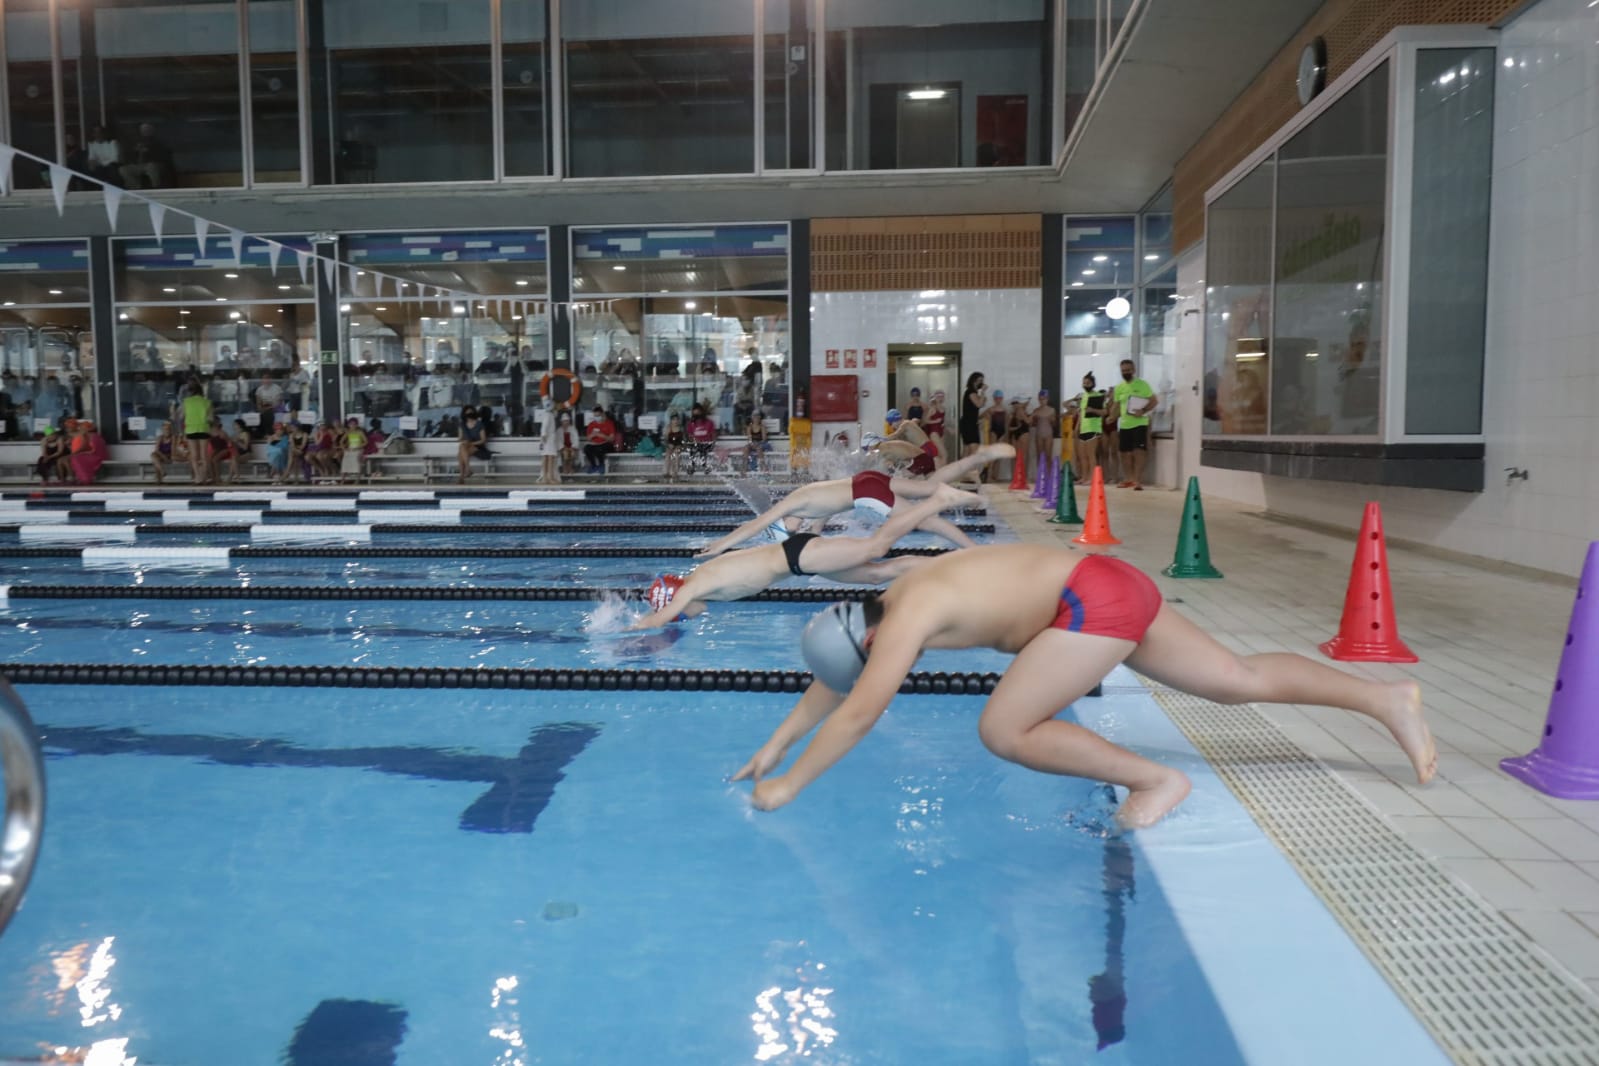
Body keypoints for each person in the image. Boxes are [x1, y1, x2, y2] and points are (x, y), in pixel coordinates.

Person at [733, 544, 1437, 828]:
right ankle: (1383, 699)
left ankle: (1154, 783)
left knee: (1004, 729)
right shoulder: (893, 601)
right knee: (1234, 679)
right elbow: (837, 684)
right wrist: (777, 746)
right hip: (1104, 578)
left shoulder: (910, 615)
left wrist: (790, 787)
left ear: (870, 640)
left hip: (1087, 604)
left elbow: (858, 711)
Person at [629, 485, 977, 631]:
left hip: (800, 556)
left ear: (673, 598)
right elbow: (685, 612)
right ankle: (960, 569)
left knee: (876, 548)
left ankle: (939, 500)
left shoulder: (694, 586)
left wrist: (626, 627)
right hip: (799, 557)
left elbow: (660, 619)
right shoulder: (700, 580)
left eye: (675, 612)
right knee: (876, 574)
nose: (682, 618)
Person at [694, 442, 1013, 560]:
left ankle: (976, 554)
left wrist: (721, 545)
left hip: (866, 493)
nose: (796, 531)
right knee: (929, 486)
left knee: (929, 519)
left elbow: (754, 525)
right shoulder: (805, 506)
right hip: (865, 481)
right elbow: (817, 539)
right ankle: (976, 459)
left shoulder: (787, 508)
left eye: (789, 531)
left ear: (783, 523)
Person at [1111, 360, 1157, 490]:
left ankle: (1137, 480)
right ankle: (1129, 478)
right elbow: (1116, 405)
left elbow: (1154, 401)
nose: (1125, 373)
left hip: (1140, 423)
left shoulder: (1142, 385)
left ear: (1134, 370)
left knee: (1139, 452)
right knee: (1124, 453)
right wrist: (1111, 417)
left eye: (1128, 370)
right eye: (1123, 371)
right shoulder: (1119, 388)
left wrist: (1143, 411)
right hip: (1124, 425)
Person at [872, 410, 940, 476]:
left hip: (926, 448)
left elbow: (896, 434)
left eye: (890, 424)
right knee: (930, 473)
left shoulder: (905, 424)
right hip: (927, 447)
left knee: (935, 473)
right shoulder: (908, 423)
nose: (892, 427)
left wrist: (880, 440)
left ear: (895, 420)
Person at [1072, 373, 1109, 486]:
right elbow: (1082, 414)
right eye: (1084, 383)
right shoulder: (1083, 397)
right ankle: (1084, 476)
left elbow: (1104, 412)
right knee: (1082, 455)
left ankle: (1092, 477)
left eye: (1088, 383)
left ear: (1093, 384)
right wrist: (1077, 427)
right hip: (1083, 428)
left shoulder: (1098, 396)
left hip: (1093, 428)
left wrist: (1093, 410)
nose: (1085, 385)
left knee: (1090, 455)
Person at [180, 378, 214, 485]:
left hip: (190, 429)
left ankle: (197, 477)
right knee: (204, 455)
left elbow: (181, 416)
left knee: (194, 455)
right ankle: (203, 476)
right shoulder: (207, 402)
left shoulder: (186, 402)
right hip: (203, 428)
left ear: (190, 392)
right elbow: (211, 419)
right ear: (202, 391)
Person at [68, 420, 107, 485]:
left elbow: (88, 448)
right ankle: (81, 478)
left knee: (76, 458)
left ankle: (84, 478)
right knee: (77, 457)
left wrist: (76, 453)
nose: (80, 430)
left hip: (97, 456)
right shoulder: (94, 436)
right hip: (98, 455)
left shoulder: (91, 436)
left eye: (81, 429)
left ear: (85, 429)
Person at [583, 405, 619, 474]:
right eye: (595, 416)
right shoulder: (591, 424)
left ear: (602, 414)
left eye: (598, 415)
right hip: (595, 444)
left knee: (599, 449)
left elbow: (612, 439)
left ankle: (602, 465)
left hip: (606, 444)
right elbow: (588, 438)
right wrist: (593, 435)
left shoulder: (609, 423)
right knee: (586, 448)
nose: (597, 418)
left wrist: (602, 435)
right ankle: (593, 466)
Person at [959, 372, 986, 461]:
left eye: (982, 381)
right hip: (968, 424)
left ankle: (961, 473)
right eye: (980, 381)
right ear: (973, 381)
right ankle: (969, 472)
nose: (981, 383)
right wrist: (983, 392)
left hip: (970, 423)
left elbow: (979, 405)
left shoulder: (973, 392)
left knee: (966, 451)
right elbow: (979, 404)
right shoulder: (970, 392)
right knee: (973, 450)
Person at [457, 407, 488, 483]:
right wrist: (464, 441)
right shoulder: (462, 424)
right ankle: (467, 470)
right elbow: (460, 438)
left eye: (471, 413)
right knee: (462, 447)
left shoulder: (479, 424)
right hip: (466, 446)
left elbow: (483, 440)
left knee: (461, 452)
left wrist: (471, 443)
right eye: (467, 413)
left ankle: (462, 476)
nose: (469, 415)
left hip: (478, 446)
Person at [663, 413, 688, 482]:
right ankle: (666, 472)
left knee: (676, 454)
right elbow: (665, 440)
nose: (675, 421)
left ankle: (675, 472)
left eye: (677, 419)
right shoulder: (668, 428)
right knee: (668, 455)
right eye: (674, 420)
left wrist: (681, 446)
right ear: (671, 421)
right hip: (670, 445)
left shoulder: (681, 429)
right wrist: (669, 445)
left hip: (679, 445)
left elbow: (684, 440)